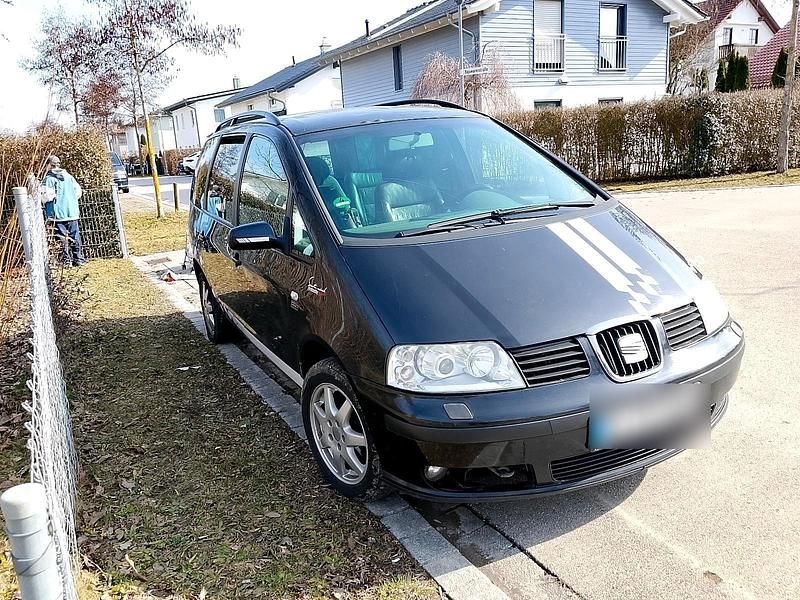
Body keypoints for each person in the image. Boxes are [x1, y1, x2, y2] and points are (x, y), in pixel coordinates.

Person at [43, 155, 86, 266]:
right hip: (72, 212)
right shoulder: (69, 177)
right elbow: (78, 192)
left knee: (61, 238)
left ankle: (65, 261)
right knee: (74, 236)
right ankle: (78, 259)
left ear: (48, 165)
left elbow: (46, 196)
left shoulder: (49, 179)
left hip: (56, 214)